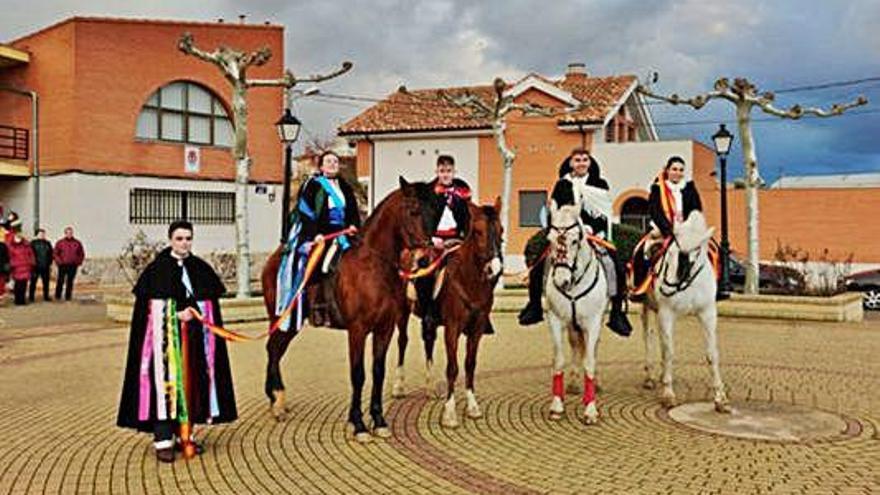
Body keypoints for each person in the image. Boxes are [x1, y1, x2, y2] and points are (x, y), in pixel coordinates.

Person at [117, 220, 237, 463]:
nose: (184, 243)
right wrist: (175, 314)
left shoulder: (200, 268)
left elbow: (209, 303)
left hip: (193, 343)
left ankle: (186, 433)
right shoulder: (157, 269)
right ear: (171, 240)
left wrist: (197, 311)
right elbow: (148, 309)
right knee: (164, 388)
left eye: (188, 238)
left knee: (191, 384)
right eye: (180, 238)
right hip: (164, 345)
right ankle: (163, 439)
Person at [281, 150, 361, 330]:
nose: (333, 164)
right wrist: (314, 233)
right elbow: (306, 212)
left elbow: (353, 210)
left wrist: (354, 224)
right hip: (322, 234)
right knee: (322, 263)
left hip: (345, 233)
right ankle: (317, 305)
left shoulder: (345, 186)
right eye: (329, 161)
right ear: (322, 166)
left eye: (335, 161)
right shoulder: (314, 186)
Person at [630, 155, 705, 300]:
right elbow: (655, 211)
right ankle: (640, 289)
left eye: (681, 170)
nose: (677, 172)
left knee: (711, 250)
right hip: (662, 229)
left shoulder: (689, 188)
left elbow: (696, 210)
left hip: (685, 230)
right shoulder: (658, 188)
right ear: (668, 170)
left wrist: (688, 227)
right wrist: (668, 230)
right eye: (674, 169)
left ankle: (712, 287)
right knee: (641, 250)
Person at [415, 154, 473, 339]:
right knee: (426, 271)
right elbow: (424, 218)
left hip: (457, 239)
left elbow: (468, 216)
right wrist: (432, 238)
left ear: (454, 172)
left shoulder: (462, 190)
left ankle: (478, 313)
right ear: (437, 172)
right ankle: (428, 314)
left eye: (448, 171)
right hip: (436, 240)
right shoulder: (430, 192)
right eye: (442, 171)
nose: (445, 174)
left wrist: (464, 237)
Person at [5, 213, 34, 306]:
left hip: (25, 267)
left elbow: (30, 254)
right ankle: (18, 300)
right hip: (17, 267)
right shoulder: (10, 244)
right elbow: (9, 255)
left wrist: (31, 263)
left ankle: (22, 300)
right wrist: (12, 264)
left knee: (24, 285)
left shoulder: (26, 244)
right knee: (18, 285)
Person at [53, 226, 85, 301]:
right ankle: (58, 295)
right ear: (65, 233)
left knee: (70, 281)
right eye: (67, 233)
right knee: (60, 280)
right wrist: (59, 262)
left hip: (73, 265)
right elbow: (55, 253)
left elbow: (81, 253)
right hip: (63, 265)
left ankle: (68, 296)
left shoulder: (77, 243)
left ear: (72, 233)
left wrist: (78, 262)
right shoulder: (60, 242)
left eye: (70, 232)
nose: (69, 234)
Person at [29, 228, 53, 302]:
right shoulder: (32, 243)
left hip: (45, 266)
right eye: (40, 234)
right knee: (33, 282)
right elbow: (30, 254)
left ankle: (46, 296)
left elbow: (51, 253)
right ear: (37, 235)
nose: (42, 235)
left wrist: (50, 263)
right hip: (35, 266)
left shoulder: (48, 243)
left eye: (43, 234)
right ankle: (31, 297)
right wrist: (32, 264)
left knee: (46, 283)